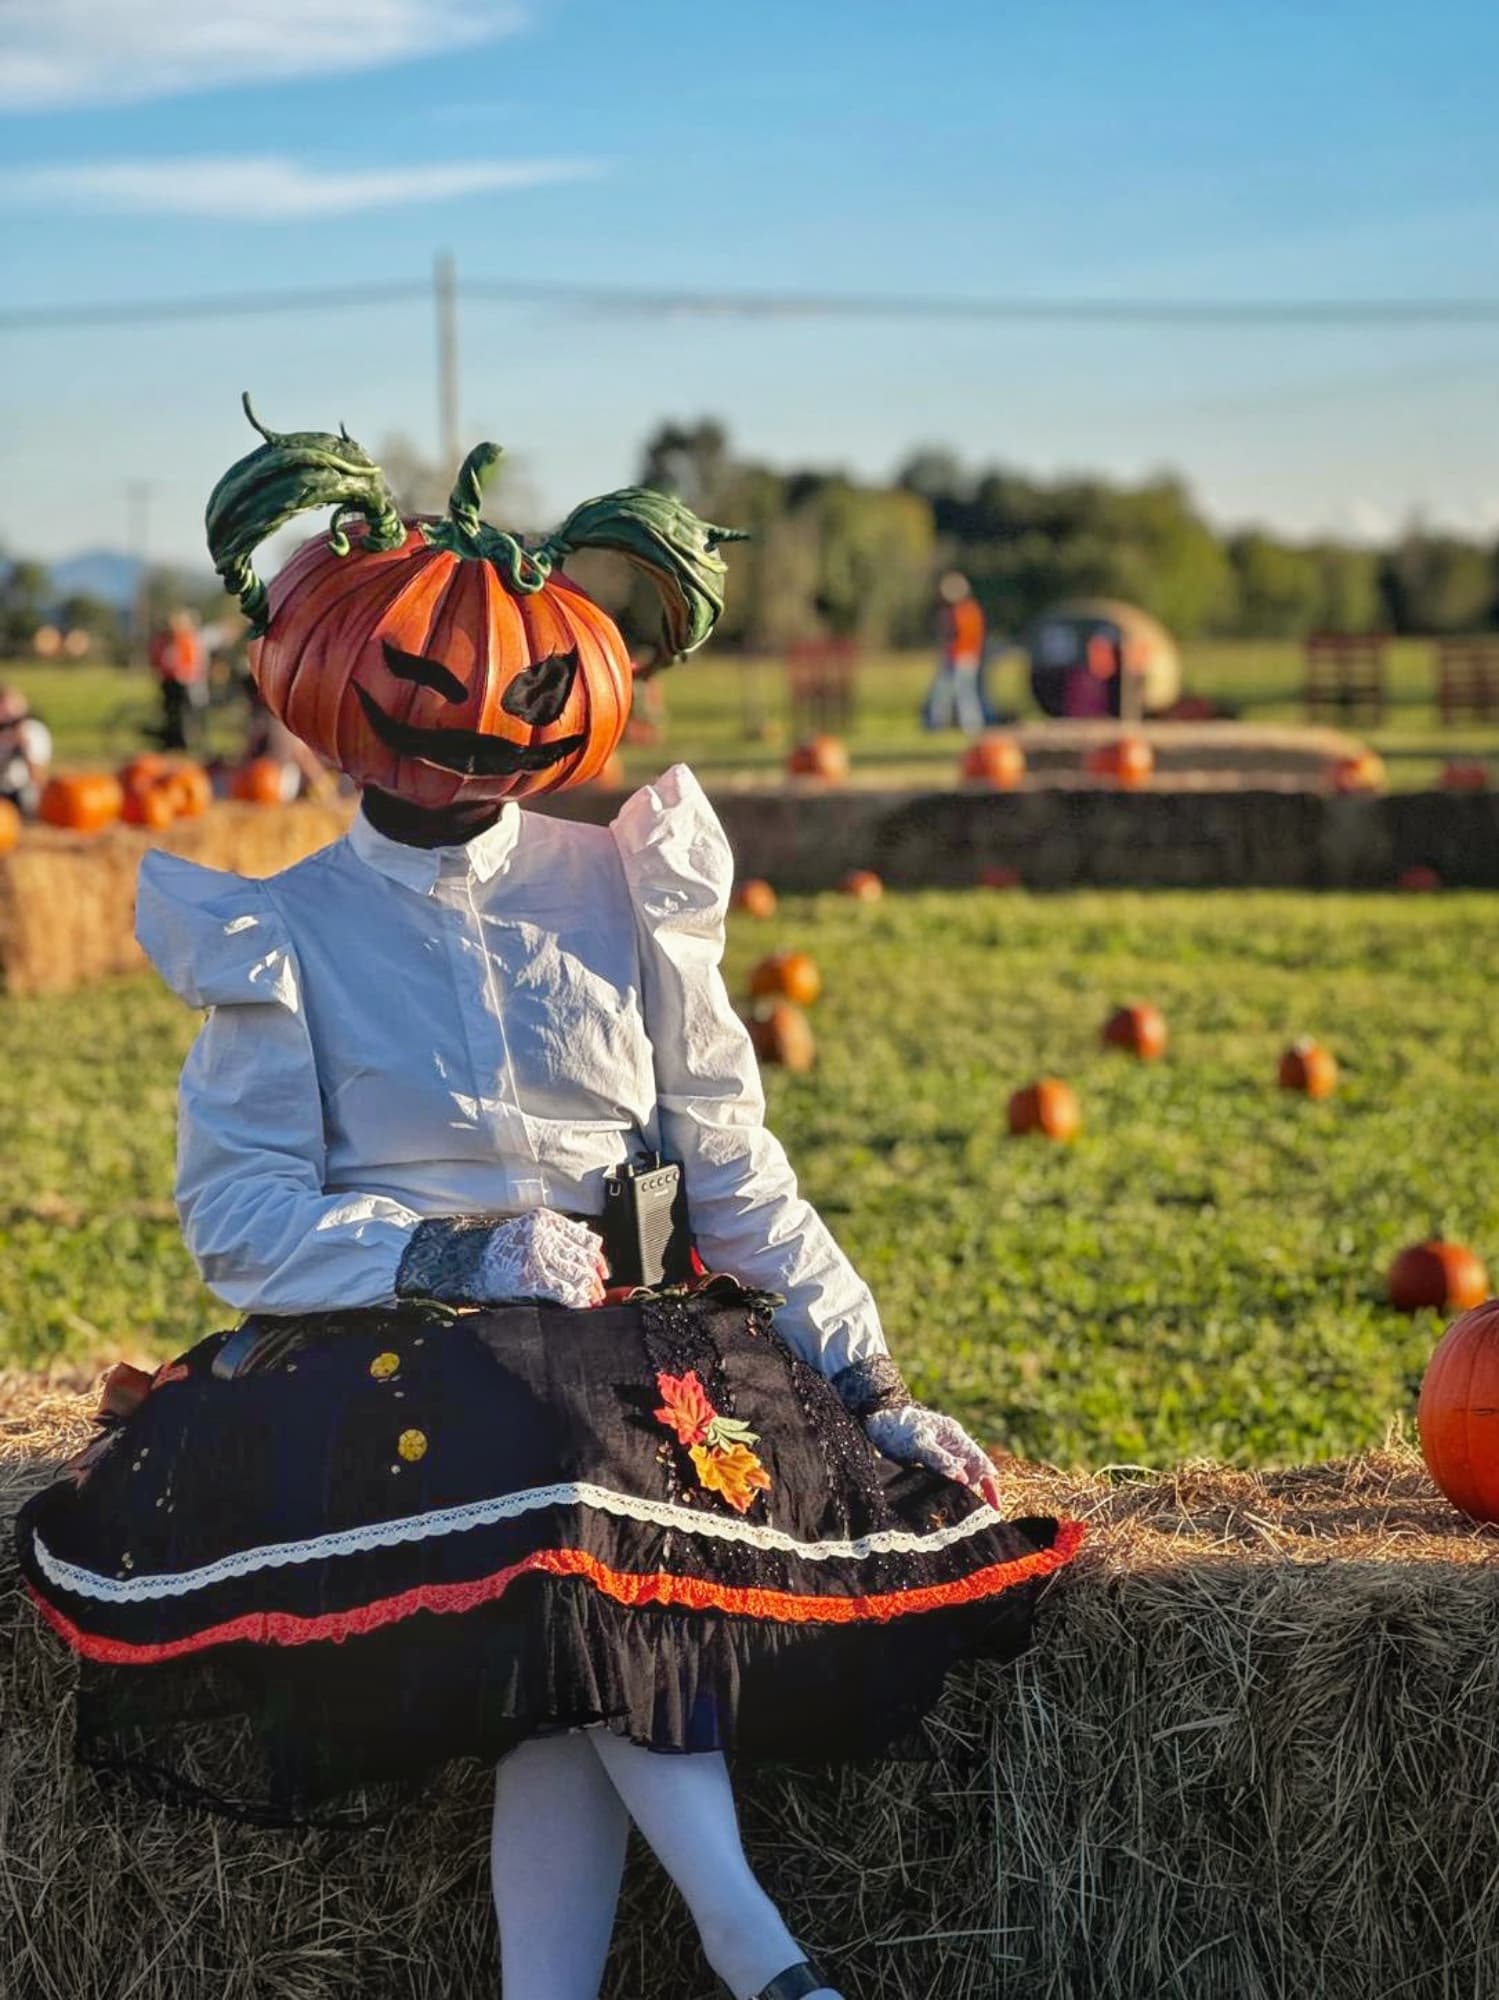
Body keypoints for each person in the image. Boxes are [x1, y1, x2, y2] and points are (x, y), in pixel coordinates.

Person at [17, 408, 1080, 2000]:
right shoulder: (281, 933)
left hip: (638, 1350)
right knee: (552, 1486)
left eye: (518, 683)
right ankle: (753, 1948)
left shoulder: (624, 887)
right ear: (322, 676)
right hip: (400, 1357)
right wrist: (453, 1247)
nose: (464, 719)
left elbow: (729, 1158)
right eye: (420, 676)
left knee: (572, 1551)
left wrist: (870, 1383)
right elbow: (238, 1224)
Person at [921, 571, 988, 734]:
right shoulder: (969, 610)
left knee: (958, 694)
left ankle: (962, 726)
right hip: (964, 658)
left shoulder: (963, 612)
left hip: (960, 658)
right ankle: (960, 725)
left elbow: (957, 636)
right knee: (957, 694)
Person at [148, 609, 208, 751]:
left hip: (186, 681)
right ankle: (172, 740)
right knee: (171, 711)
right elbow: (157, 659)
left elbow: (195, 661)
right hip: (170, 680)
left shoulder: (188, 640)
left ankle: (185, 741)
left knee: (186, 712)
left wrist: (185, 673)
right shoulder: (165, 640)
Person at [0, 684, 53, 816]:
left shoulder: (34, 732)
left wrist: (22, 746)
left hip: (22, 791)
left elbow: (38, 776)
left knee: (27, 797)